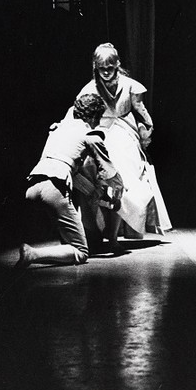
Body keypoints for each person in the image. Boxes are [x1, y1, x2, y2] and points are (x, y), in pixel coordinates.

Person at [59, 43, 171, 246]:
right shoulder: (90, 88)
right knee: (90, 169)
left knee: (123, 168)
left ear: (117, 65)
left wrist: (148, 127)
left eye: (110, 68)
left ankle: (115, 232)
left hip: (124, 128)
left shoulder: (129, 85)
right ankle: (94, 231)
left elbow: (140, 109)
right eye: (102, 69)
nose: (106, 73)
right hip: (99, 130)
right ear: (96, 67)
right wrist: (62, 125)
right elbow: (76, 113)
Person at [16, 93, 123, 269]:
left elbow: (71, 171)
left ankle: (61, 248)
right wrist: (117, 193)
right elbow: (111, 174)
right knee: (81, 251)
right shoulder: (90, 134)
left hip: (33, 186)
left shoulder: (58, 129)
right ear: (95, 117)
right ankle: (32, 254)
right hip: (54, 189)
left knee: (69, 234)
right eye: (99, 118)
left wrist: (94, 191)